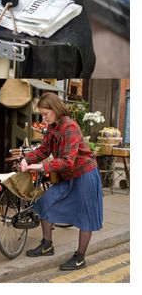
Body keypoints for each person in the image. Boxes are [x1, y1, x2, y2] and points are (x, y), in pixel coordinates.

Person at [19, 92, 103, 271]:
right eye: (41, 114)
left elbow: (67, 161)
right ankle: (47, 245)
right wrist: (28, 159)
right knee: (45, 203)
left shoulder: (70, 127)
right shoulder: (52, 126)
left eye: (45, 113)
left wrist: (41, 167)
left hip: (84, 174)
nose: (43, 117)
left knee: (85, 216)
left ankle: (80, 257)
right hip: (67, 175)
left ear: (55, 109)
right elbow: (43, 150)